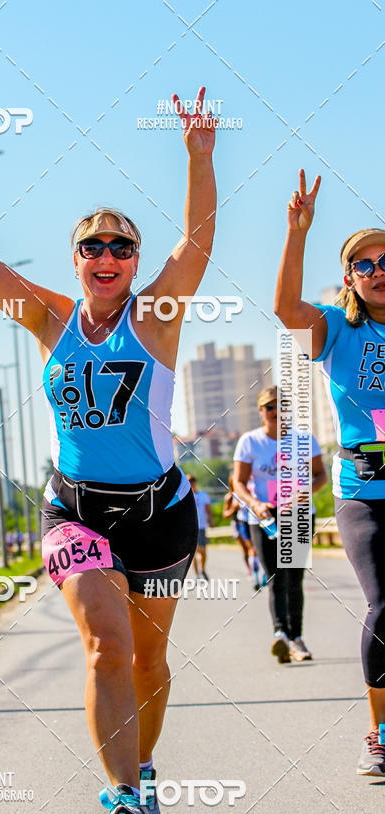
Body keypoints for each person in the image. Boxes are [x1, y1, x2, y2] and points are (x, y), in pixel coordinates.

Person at [0, 86, 216, 814]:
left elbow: (198, 242)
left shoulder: (156, 315)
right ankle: (122, 796)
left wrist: (198, 156)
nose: (107, 256)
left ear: (134, 262)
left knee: (151, 657)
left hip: (161, 509)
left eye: (122, 245)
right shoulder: (49, 317)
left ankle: (144, 769)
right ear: (76, 259)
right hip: (77, 510)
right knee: (107, 645)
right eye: (93, 244)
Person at [274, 169, 385, 776]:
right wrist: (297, 232)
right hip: (366, 491)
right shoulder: (339, 325)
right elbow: (286, 309)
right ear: (349, 277)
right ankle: (381, 732)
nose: (376, 270)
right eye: (363, 264)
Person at [233, 385, 327, 663]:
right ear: (261, 411)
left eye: (281, 406)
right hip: (265, 518)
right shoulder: (250, 442)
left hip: (297, 514)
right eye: (270, 407)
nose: (276, 412)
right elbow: (238, 482)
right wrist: (256, 504)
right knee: (275, 577)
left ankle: (296, 637)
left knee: (294, 577)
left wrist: (306, 492)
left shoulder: (304, 439)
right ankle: (280, 635)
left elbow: (321, 475)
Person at [223, 474, 262, 590]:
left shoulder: (252, 489)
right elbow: (225, 514)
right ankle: (253, 572)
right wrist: (233, 509)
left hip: (256, 522)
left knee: (254, 549)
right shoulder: (231, 497)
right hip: (241, 523)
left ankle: (259, 572)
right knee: (249, 549)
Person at [188, 475, 213, 580]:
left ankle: (202, 569)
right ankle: (197, 574)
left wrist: (211, 521)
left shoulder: (203, 495)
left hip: (201, 526)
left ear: (196, 482)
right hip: (190, 528)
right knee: (194, 552)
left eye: (193, 480)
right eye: (189, 481)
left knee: (203, 551)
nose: (191, 483)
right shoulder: (184, 495)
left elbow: (208, 509)